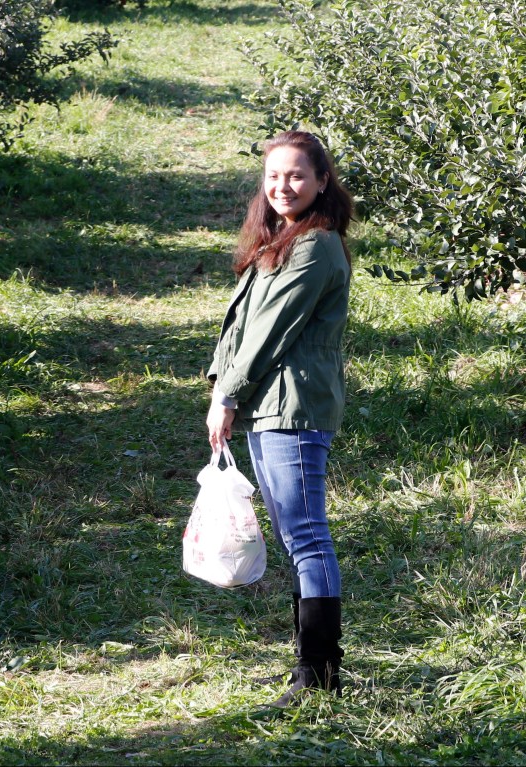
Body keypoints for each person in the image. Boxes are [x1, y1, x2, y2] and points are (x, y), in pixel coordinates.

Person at [206, 130, 353, 707]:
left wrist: (227, 396)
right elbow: (241, 325)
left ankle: (318, 675)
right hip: (268, 406)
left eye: (295, 175)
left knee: (308, 537)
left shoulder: (315, 247)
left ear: (321, 181)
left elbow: (270, 332)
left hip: (293, 407)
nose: (282, 186)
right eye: (273, 176)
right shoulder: (278, 242)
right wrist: (223, 386)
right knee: (297, 539)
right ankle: (308, 666)